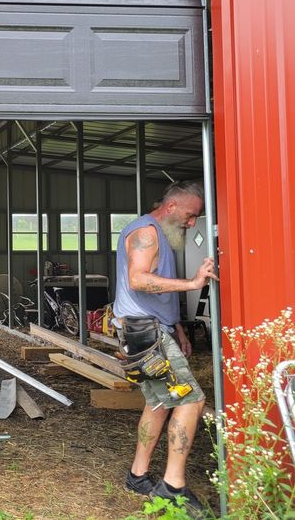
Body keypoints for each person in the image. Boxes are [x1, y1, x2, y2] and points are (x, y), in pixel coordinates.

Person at [114, 181, 218, 514]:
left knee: (158, 403)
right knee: (192, 400)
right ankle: (173, 485)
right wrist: (192, 283)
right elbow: (138, 279)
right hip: (145, 332)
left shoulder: (160, 235)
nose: (191, 224)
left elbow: (156, 292)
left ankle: (138, 474)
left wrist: (178, 329)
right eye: (190, 216)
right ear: (171, 207)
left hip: (150, 330)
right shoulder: (146, 233)